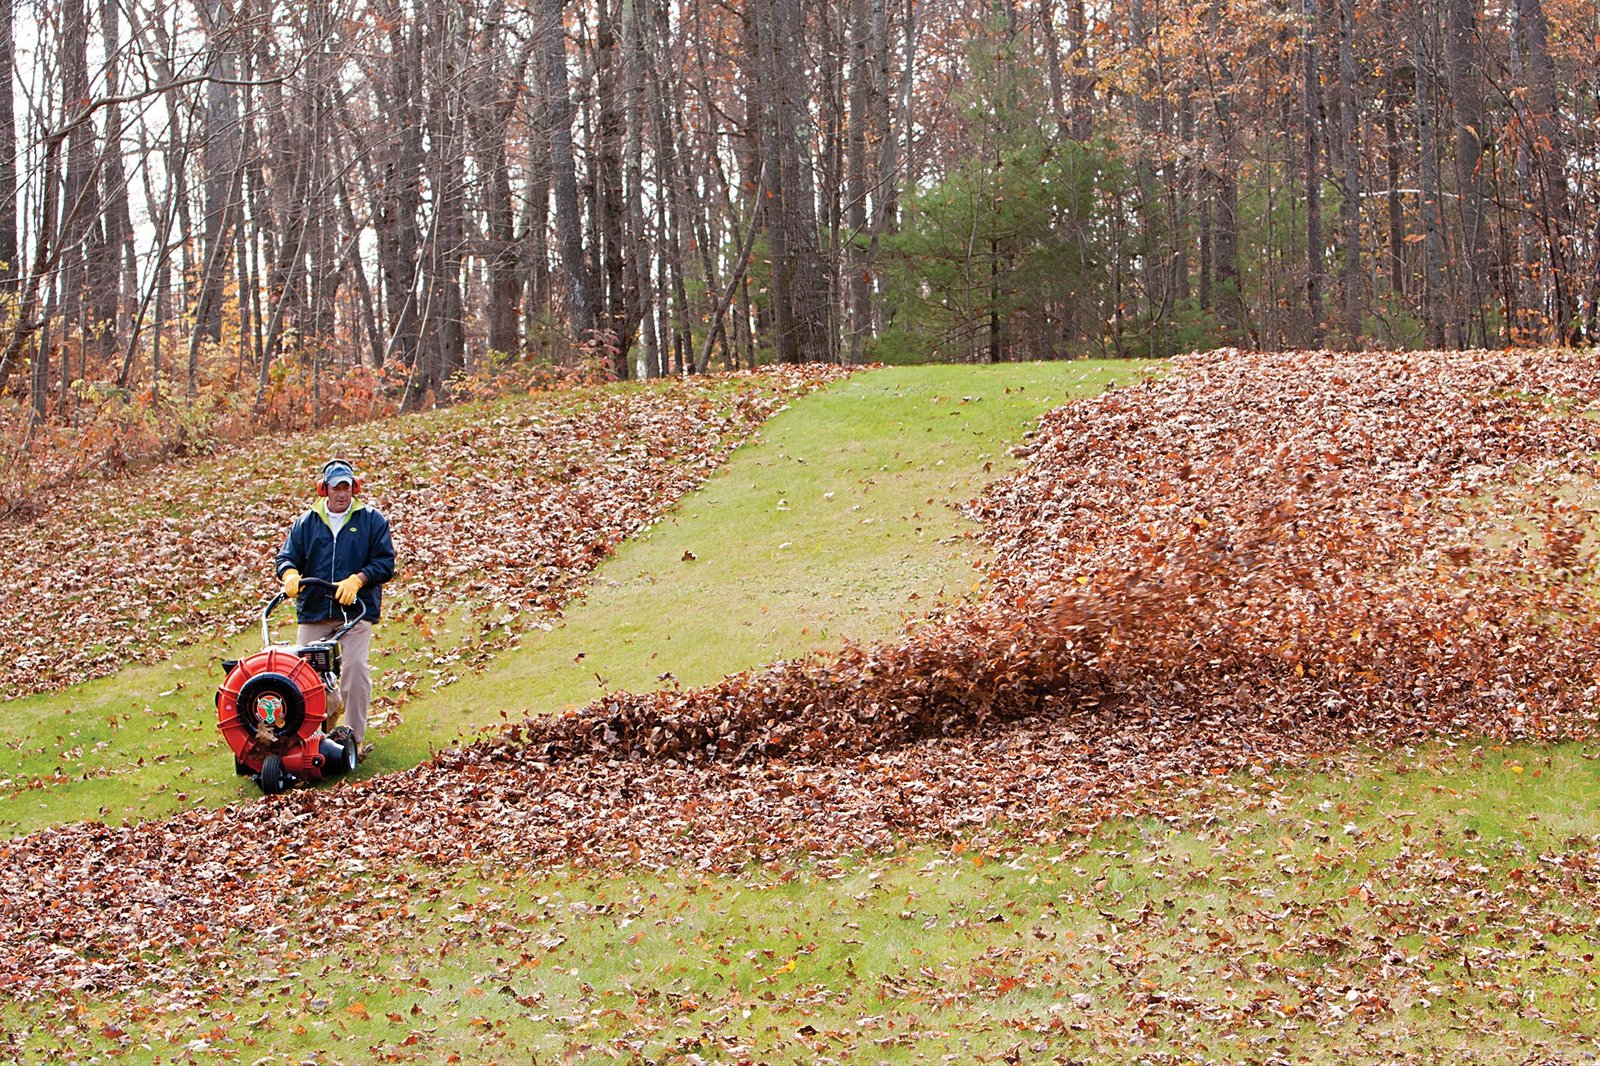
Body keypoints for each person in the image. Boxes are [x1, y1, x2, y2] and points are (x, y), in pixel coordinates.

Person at [275, 458, 395, 750]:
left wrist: (358, 580)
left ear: (354, 488)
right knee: (305, 677)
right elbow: (286, 558)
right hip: (315, 610)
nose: (342, 493)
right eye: (335, 488)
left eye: (346, 487)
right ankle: (309, 740)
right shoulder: (306, 523)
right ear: (323, 490)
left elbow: (385, 562)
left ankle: (353, 738)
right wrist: (290, 574)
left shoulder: (371, 520)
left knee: (355, 669)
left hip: (356, 611)